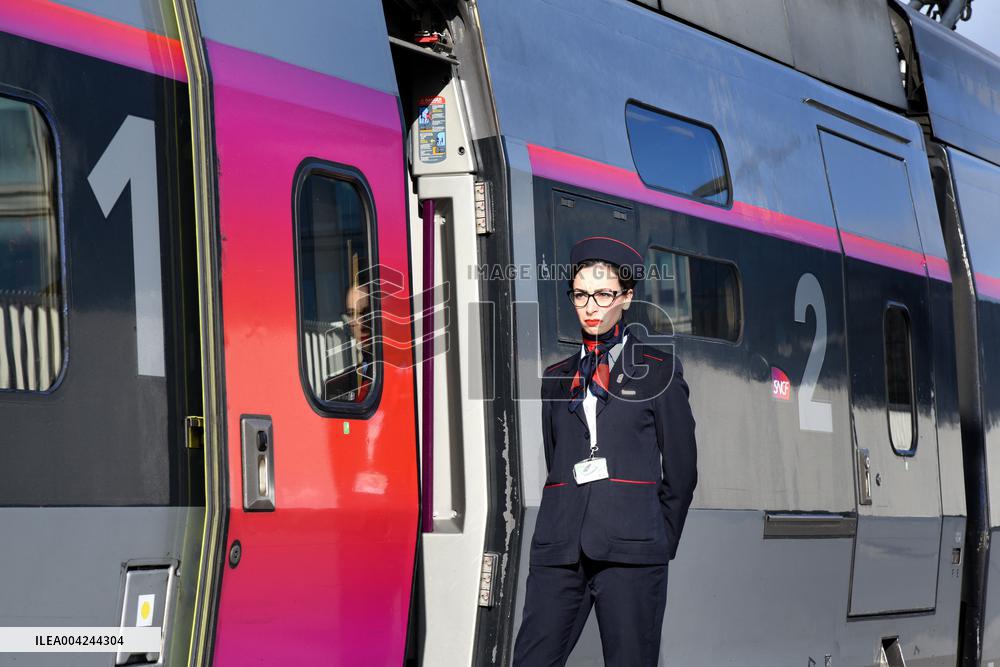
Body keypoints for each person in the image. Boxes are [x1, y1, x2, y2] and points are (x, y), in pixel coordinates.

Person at [512, 236, 698, 666]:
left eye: (603, 294)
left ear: (627, 297)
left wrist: (657, 539)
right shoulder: (556, 379)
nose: (591, 306)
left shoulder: (659, 370)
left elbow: (683, 471)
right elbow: (557, 454)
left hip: (633, 549)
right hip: (560, 547)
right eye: (580, 294)